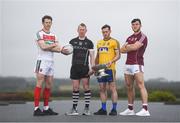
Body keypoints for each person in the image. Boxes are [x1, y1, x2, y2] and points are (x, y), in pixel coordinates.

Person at [120, 18, 150, 116]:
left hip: (138, 63)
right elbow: (121, 50)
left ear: (140, 25)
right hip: (128, 63)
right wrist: (129, 47)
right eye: (133, 24)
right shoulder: (129, 38)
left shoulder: (143, 37)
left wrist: (128, 47)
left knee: (140, 85)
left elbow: (135, 47)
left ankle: (145, 109)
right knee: (129, 86)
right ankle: (130, 109)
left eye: (136, 24)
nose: (135, 26)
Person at [33, 15, 62, 116]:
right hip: (41, 60)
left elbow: (58, 49)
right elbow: (42, 46)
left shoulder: (54, 35)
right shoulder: (39, 33)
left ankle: (46, 108)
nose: (48, 24)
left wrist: (53, 47)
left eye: (50, 22)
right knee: (39, 82)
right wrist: (53, 45)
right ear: (43, 23)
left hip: (51, 61)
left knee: (49, 84)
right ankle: (36, 109)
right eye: (46, 22)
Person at [66, 23, 95, 116]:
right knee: (75, 88)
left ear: (86, 31)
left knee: (86, 87)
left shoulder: (89, 42)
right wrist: (63, 51)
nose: (82, 31)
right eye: (80, 29)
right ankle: (74, 109)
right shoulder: (72, 41)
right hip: (74, 67)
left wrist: (93, 67)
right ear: (77, 30)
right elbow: (67, 52)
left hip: (84, 68)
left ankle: (87, 109)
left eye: (83, 29)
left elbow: (92, 56)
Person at [94, 24, 120, 116]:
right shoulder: (99, 42)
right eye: (103, 32)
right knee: (102, 89)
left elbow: (118, 55)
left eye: (106, 31)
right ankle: (103, 109)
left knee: (112, 88)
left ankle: (114, 109)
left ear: (110, 31)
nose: (105, 33)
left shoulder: (114, 42)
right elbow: (98, 56)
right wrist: (95, 67)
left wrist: (111, 61)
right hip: (100, 69)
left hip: (110, 68)